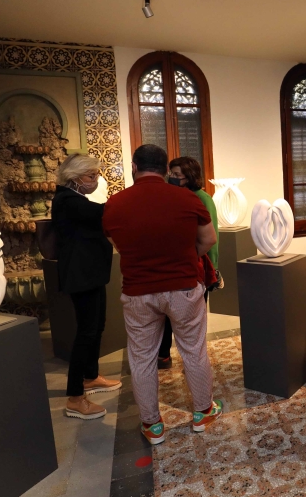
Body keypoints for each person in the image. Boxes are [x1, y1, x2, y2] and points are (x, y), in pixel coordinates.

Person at [103, 145, 221, 444]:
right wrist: (185, 257)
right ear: (165, 169)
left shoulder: (114, 203)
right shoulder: (186, 198)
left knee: (142, 357)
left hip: (138, 291)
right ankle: (203, 411)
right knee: (193, 349)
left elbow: (117, 243)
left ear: (134, 167)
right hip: (182, 286)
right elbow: (208, 238)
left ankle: (153, 425)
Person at [53, 154, 122, 420]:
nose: (96, 180)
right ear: (75, 178)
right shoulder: (68, 200)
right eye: (91, 176)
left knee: (97, 326)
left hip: (90, 273)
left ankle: (91, 377)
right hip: (81, 275)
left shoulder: (74, 199)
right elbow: (103, 213)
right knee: (86, 332)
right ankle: (74, 397)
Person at [157, 156, 220, 370]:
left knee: (195, 316)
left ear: (190, 177)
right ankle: (163, 354)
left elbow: (211, 237)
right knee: (166, 314)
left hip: (198, 265)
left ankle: (194, 362)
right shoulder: (170, 196)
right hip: (173, 266)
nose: (172, 178)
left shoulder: (202, 198)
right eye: (171, 174)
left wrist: (213, 265)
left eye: (177, 175)